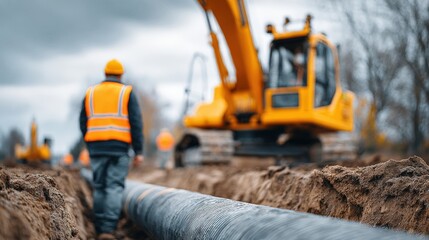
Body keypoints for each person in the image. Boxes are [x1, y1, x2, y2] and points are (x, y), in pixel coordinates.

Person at [79, 59, 144, 240]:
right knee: (114, 188)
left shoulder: (91, 92)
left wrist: (90, 139)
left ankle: (99, 228)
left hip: (96, 148)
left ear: (105, 73)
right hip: (119, 148)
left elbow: (83, 121)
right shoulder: (126, 92)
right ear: (121, 74)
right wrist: (138, 151)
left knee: (99, 187)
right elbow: (136, 123)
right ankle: (108, 230)